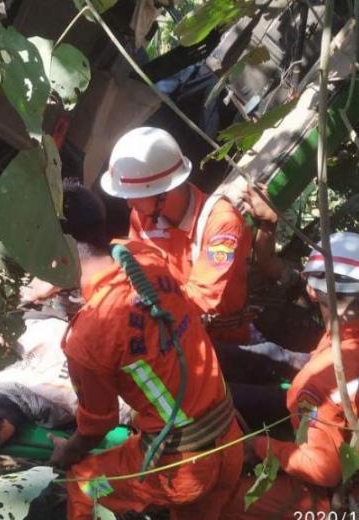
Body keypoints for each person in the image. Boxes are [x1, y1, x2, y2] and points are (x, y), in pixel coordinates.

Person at [49, 179, 242, 519]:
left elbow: (98, 424)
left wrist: (67, 453)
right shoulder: (145, 258)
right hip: (228, 439)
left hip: (182, 467)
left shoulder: (87, 337)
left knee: (82, 486)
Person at [223, 232, 359, 518]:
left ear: (313, 291)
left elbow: (322, 469)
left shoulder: (317, 384)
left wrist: (259, 447)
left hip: (352, 494)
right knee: (272, 358)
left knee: (228, 499)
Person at [99, 126, 253, 343]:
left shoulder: (222, 224)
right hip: (170, 332)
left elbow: (203, 299)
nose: (128, 203)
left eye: (135, 195)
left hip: (220, 342)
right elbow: (139, 275)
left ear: (163, 191)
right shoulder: (142, 216)